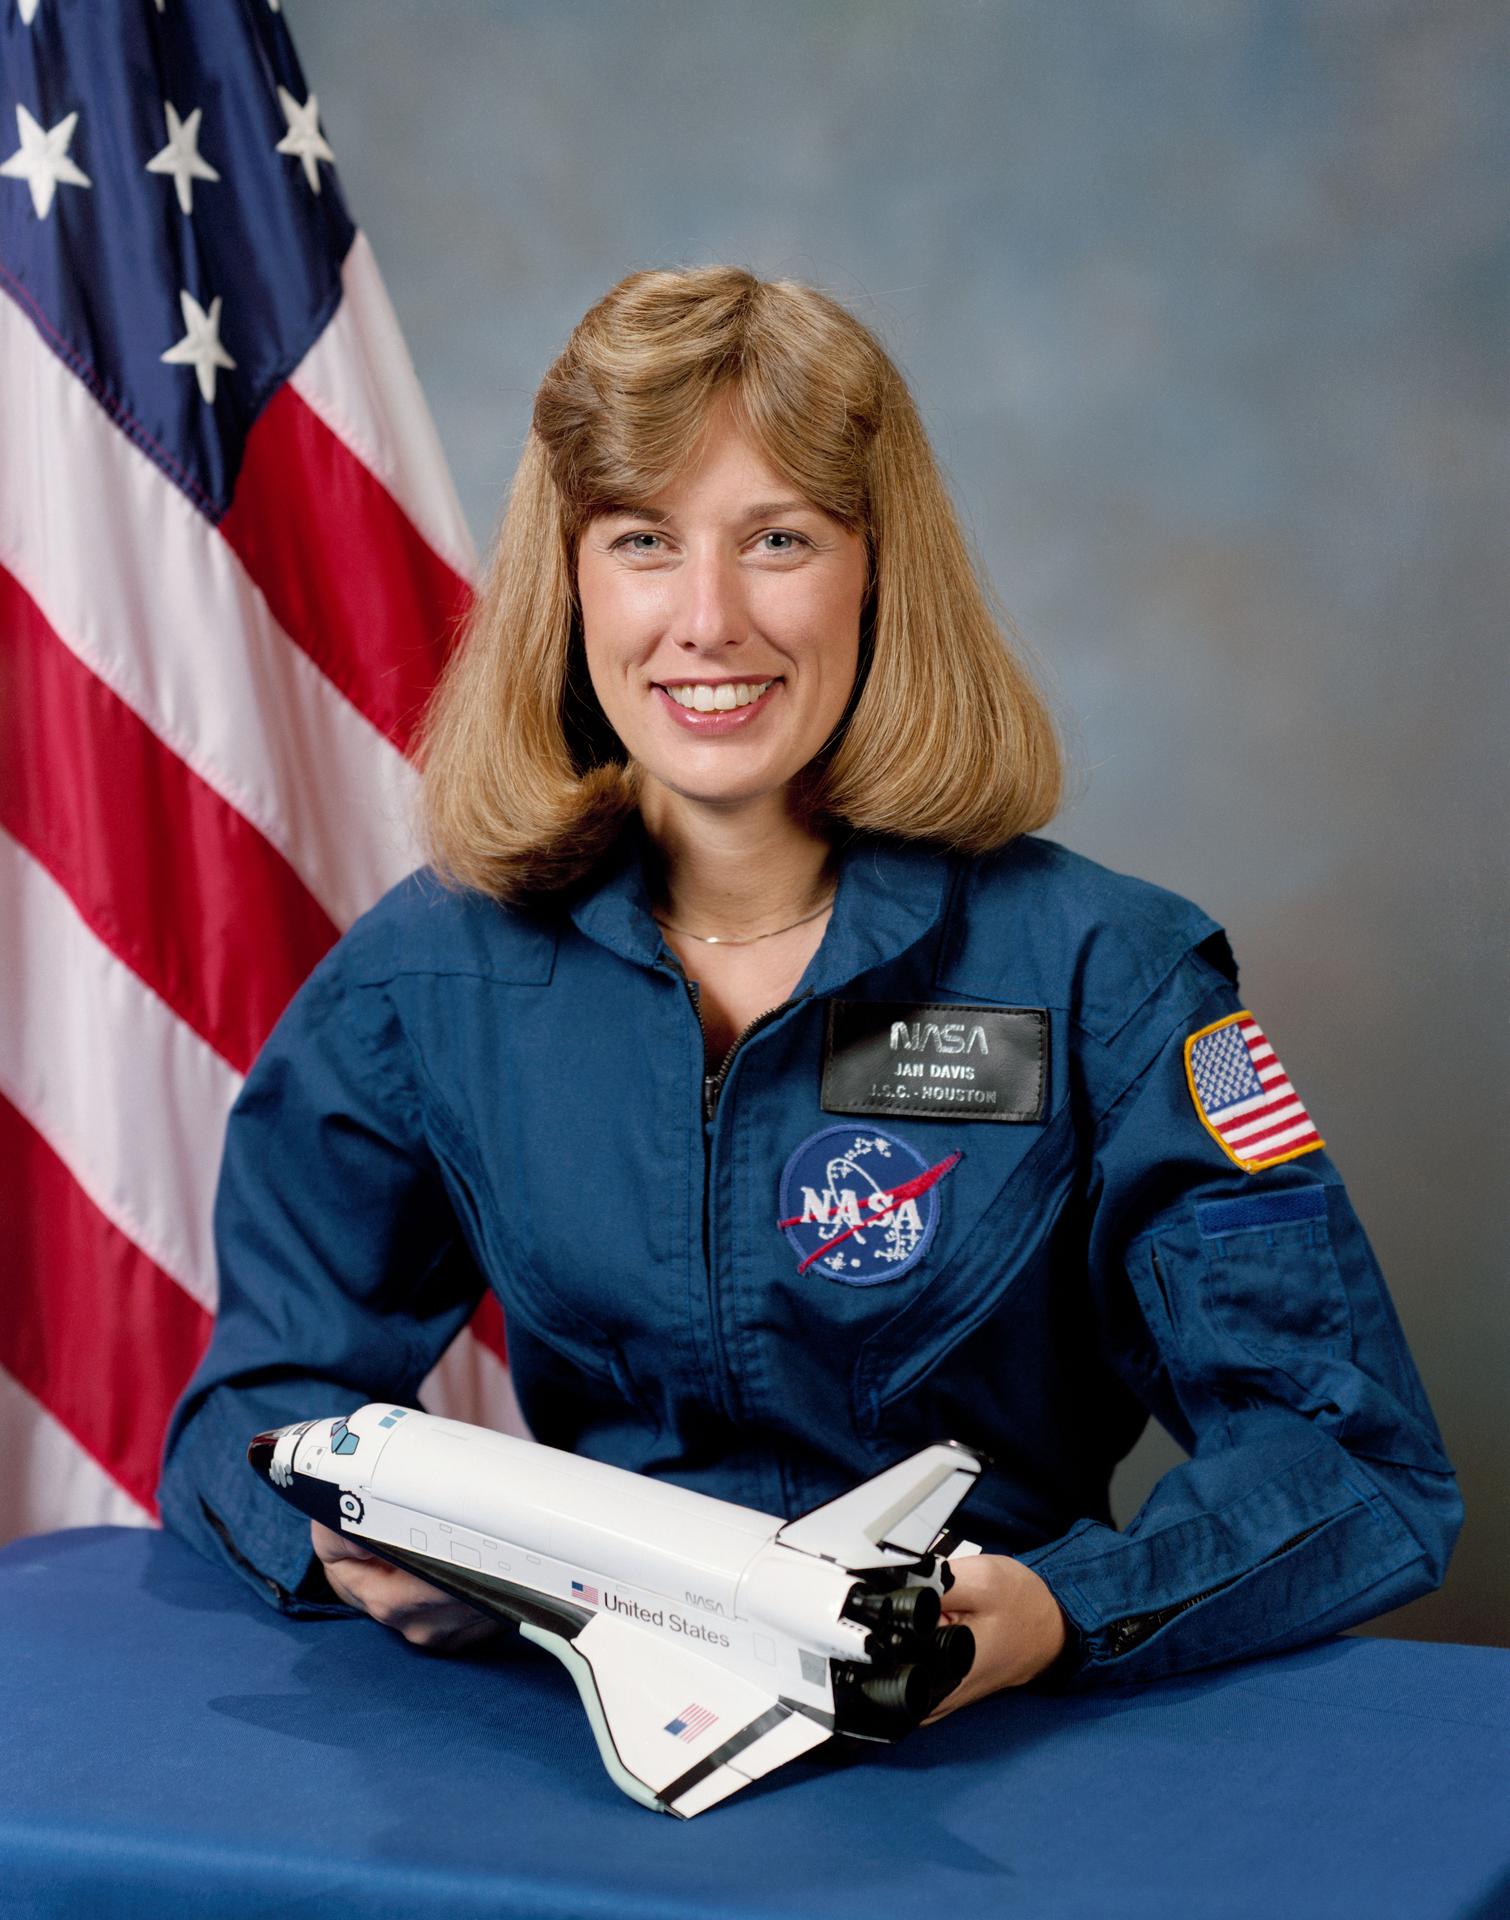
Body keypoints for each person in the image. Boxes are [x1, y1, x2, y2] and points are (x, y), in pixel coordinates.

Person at [159, 265, 1461, 1712]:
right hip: (576, 1728)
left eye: (775, 538)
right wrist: (344, 1537)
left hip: (985, 1741)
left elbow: (1352, 1464)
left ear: (875, 570)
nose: (706, 619)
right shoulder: (430, 976)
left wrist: (1052, 1613)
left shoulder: (1110, 978)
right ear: (572, 581)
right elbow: (253, 1410)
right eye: (643, 540)